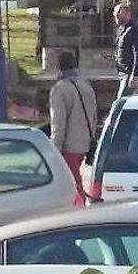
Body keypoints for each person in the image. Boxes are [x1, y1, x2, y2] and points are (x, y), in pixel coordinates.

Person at [49, 52, 98, 207]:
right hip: (85, 142)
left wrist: (54, 149)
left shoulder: (60, 89)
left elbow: (58, 123)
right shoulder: (86, 85)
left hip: (69, 145)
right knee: (77, 179)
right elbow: (94, 115)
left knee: (73, 183)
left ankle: (78, 211)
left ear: (58, 67)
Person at [114, 3, 138, 99]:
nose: (115, 16)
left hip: (129, 73)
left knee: (120, 102)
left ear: (127, 14)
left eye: (118, 13)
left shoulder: (133, 30)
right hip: (123, 72)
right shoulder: (122, 30)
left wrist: (135, 75)